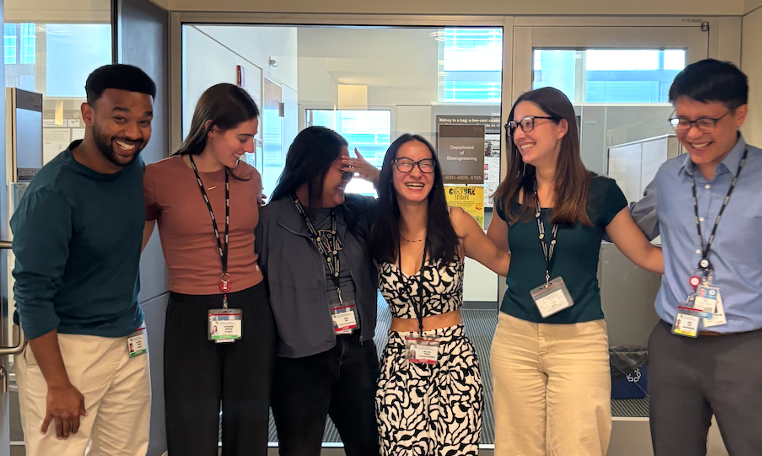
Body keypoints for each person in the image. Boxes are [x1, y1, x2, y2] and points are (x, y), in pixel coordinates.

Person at [629, 58, 762, 456]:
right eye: (682, 120)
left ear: (740, 114)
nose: (692, 133)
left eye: (705, 121)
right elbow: (632, 227)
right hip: (673, 343)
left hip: (746, 348)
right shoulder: (669, 177)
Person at [486, 87, 664, 456]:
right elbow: (496, 252)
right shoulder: (511, 194)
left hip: (578, 340)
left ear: (562, 127)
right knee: (516, 445)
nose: (519, 133)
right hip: (515, 337)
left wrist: (714, 265)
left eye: (530, 122)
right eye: (515, 126)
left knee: (579, 443)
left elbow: (645, 255)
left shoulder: (599, 192)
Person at [10, 64, 155, 456]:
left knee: (127, 451)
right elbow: (32, 293)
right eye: (120, 118)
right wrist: (57, 383)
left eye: (144, 121)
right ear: (88, 114)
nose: (133, 133)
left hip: (127, 338)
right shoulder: (53, 194)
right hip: (68, 348)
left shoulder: (132, 169)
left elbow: (139, 221)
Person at [142, 83, 273, 455]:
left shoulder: (249, 179)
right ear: (212, 128)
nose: (248, 148)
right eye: (243, 137)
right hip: (190, 311)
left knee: (248, 424)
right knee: (191, 425)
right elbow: (128, 247)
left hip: (250, 304)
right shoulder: (157, 177)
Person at [370, 134, 509, 456]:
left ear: (435, 175)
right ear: (390, 172)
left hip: (453, 359)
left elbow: (502, 262)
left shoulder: (455, 222)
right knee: (400, 449)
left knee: (456, 451)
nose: (416, 172)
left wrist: (556, 266)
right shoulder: (379, 231)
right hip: (400, 362)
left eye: (425, 164)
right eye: (405, 163)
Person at [256, 126, 380, 455]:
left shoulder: (359, 211)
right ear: (311, 166)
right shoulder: (268, 220)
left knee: (369, 446)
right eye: (341, 169)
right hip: (298, 359)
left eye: (350, 171)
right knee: (299, 450)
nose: (347, 178)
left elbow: (412, 206)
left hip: (358, 351)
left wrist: (375, 176)